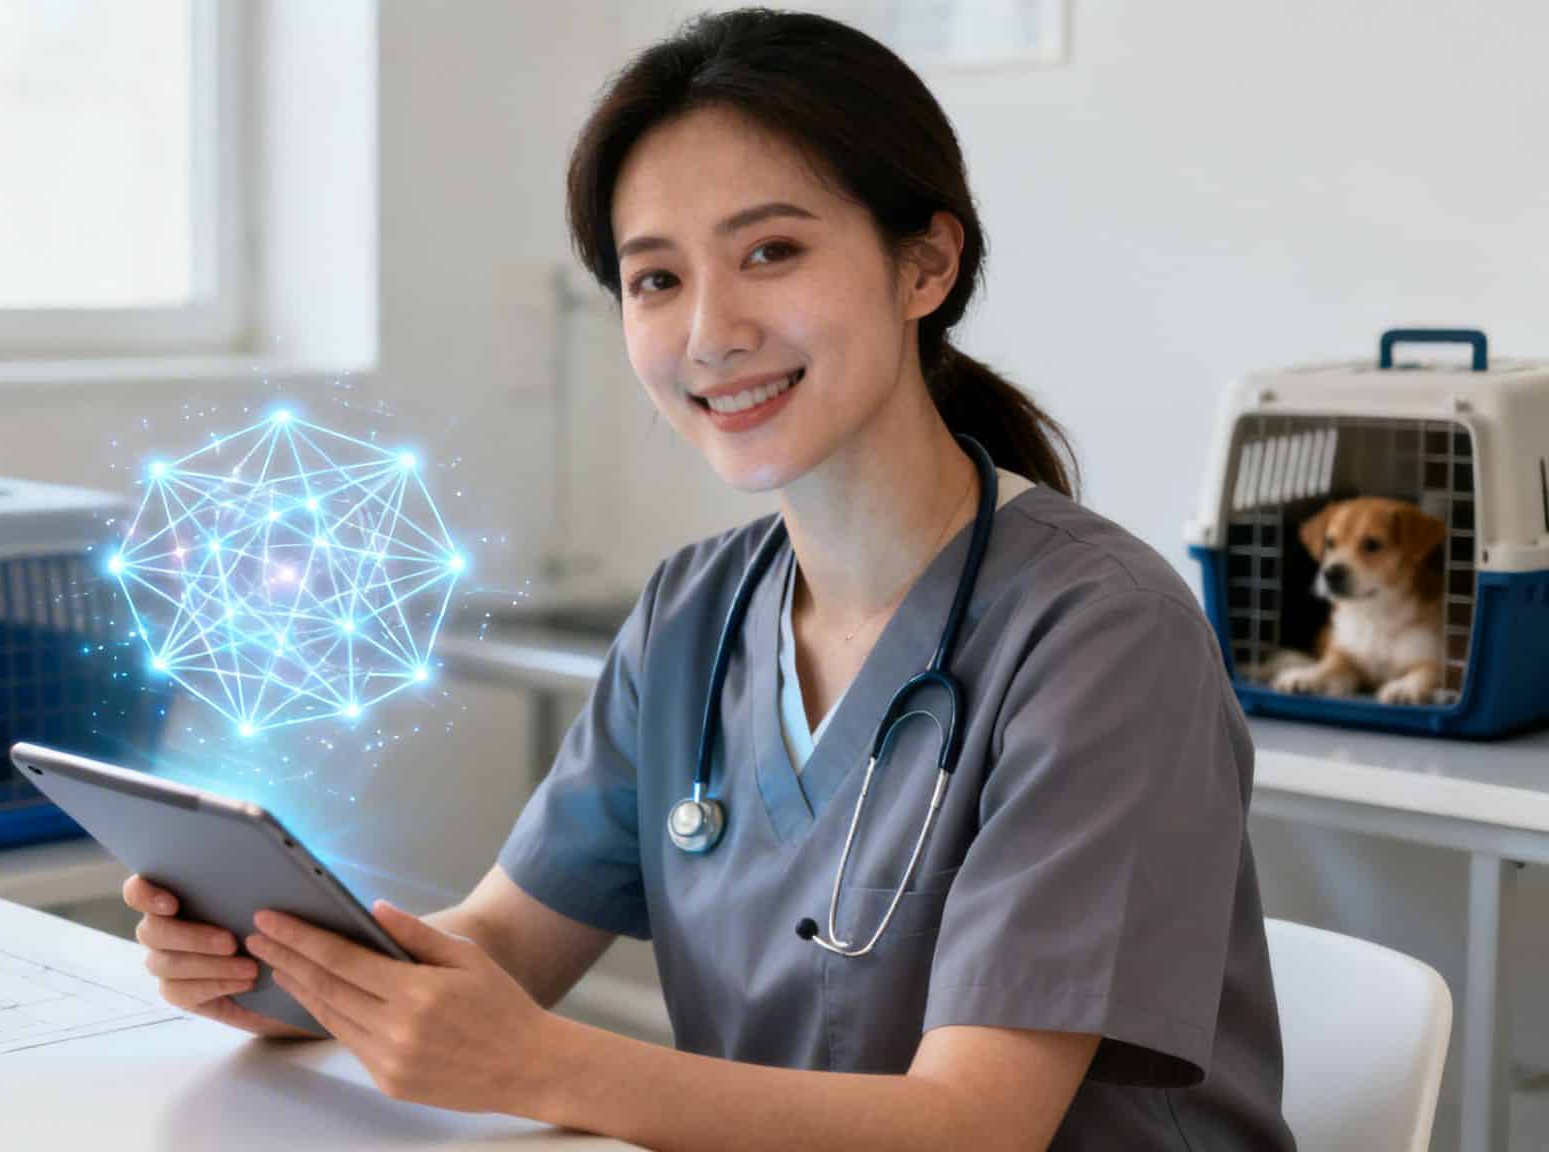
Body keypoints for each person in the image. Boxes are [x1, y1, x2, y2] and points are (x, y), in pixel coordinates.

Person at [124, 9, 1296, 1149]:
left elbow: (972, 1126)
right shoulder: (692, 615)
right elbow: (503, 940)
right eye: (655, 280)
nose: (709, 331)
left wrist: (537, 1063)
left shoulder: (1099, 635)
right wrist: (285, 970)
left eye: (770, 252)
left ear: (924, 264)